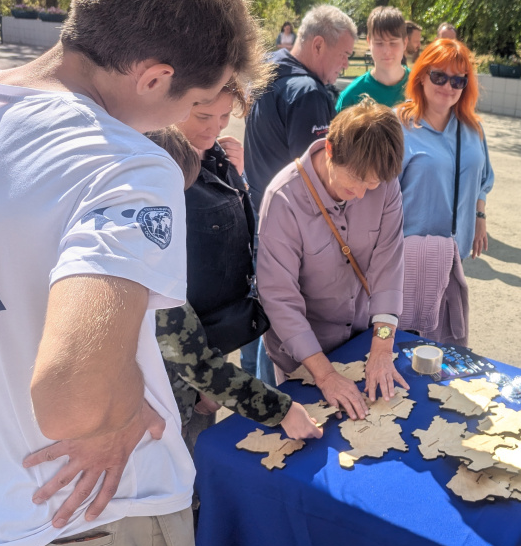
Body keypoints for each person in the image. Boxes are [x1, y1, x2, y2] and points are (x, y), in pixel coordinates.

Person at [0, 0, 262, 546]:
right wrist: (127, 414)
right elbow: (72, 393)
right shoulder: (127, 164)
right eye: (199, 100)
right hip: (90, 524)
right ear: (154, 78)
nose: (200, 118)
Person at [147, 96, 322, 453]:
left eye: (226, 116)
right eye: (204, 115)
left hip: (199, 366)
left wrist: (235, 178)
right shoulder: (149, 243)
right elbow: (188, 354)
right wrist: (281, 411)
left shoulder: (201, 160)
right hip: (156, 397)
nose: (215, 127)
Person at [257, 98, 407, 420]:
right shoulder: (283, 200)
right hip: (303, 357)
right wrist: (324, 375)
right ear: (329, 150)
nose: (363, 193)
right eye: (355, 179)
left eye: (373, 184)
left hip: (358, 340)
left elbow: (387, 267)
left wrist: (382, 346)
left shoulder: (384, 184)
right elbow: (279, 299)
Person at [395, 39, 493, 343]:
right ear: (421, 76)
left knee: (444, 342)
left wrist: (479, 215)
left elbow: (484, 177)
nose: (448, 86)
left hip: (453, 254)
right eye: (439, 76)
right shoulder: (397, 125)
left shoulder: (472, 128)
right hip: (406, 256)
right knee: (406, 340)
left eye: (458, 80)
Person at [245, 4, 358, 209]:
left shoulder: (268, 68)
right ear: (318, 46)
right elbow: (319, 180)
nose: (346, 65)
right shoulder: (308, 94)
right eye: (344, 54)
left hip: (259, 208)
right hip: (292, 223)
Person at [336, 6, 408, 112]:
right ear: (369, 42)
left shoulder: (421, 86)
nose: (386, 51)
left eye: (393, 43)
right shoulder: (352, 96)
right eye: (379, 43)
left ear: (405, 43)